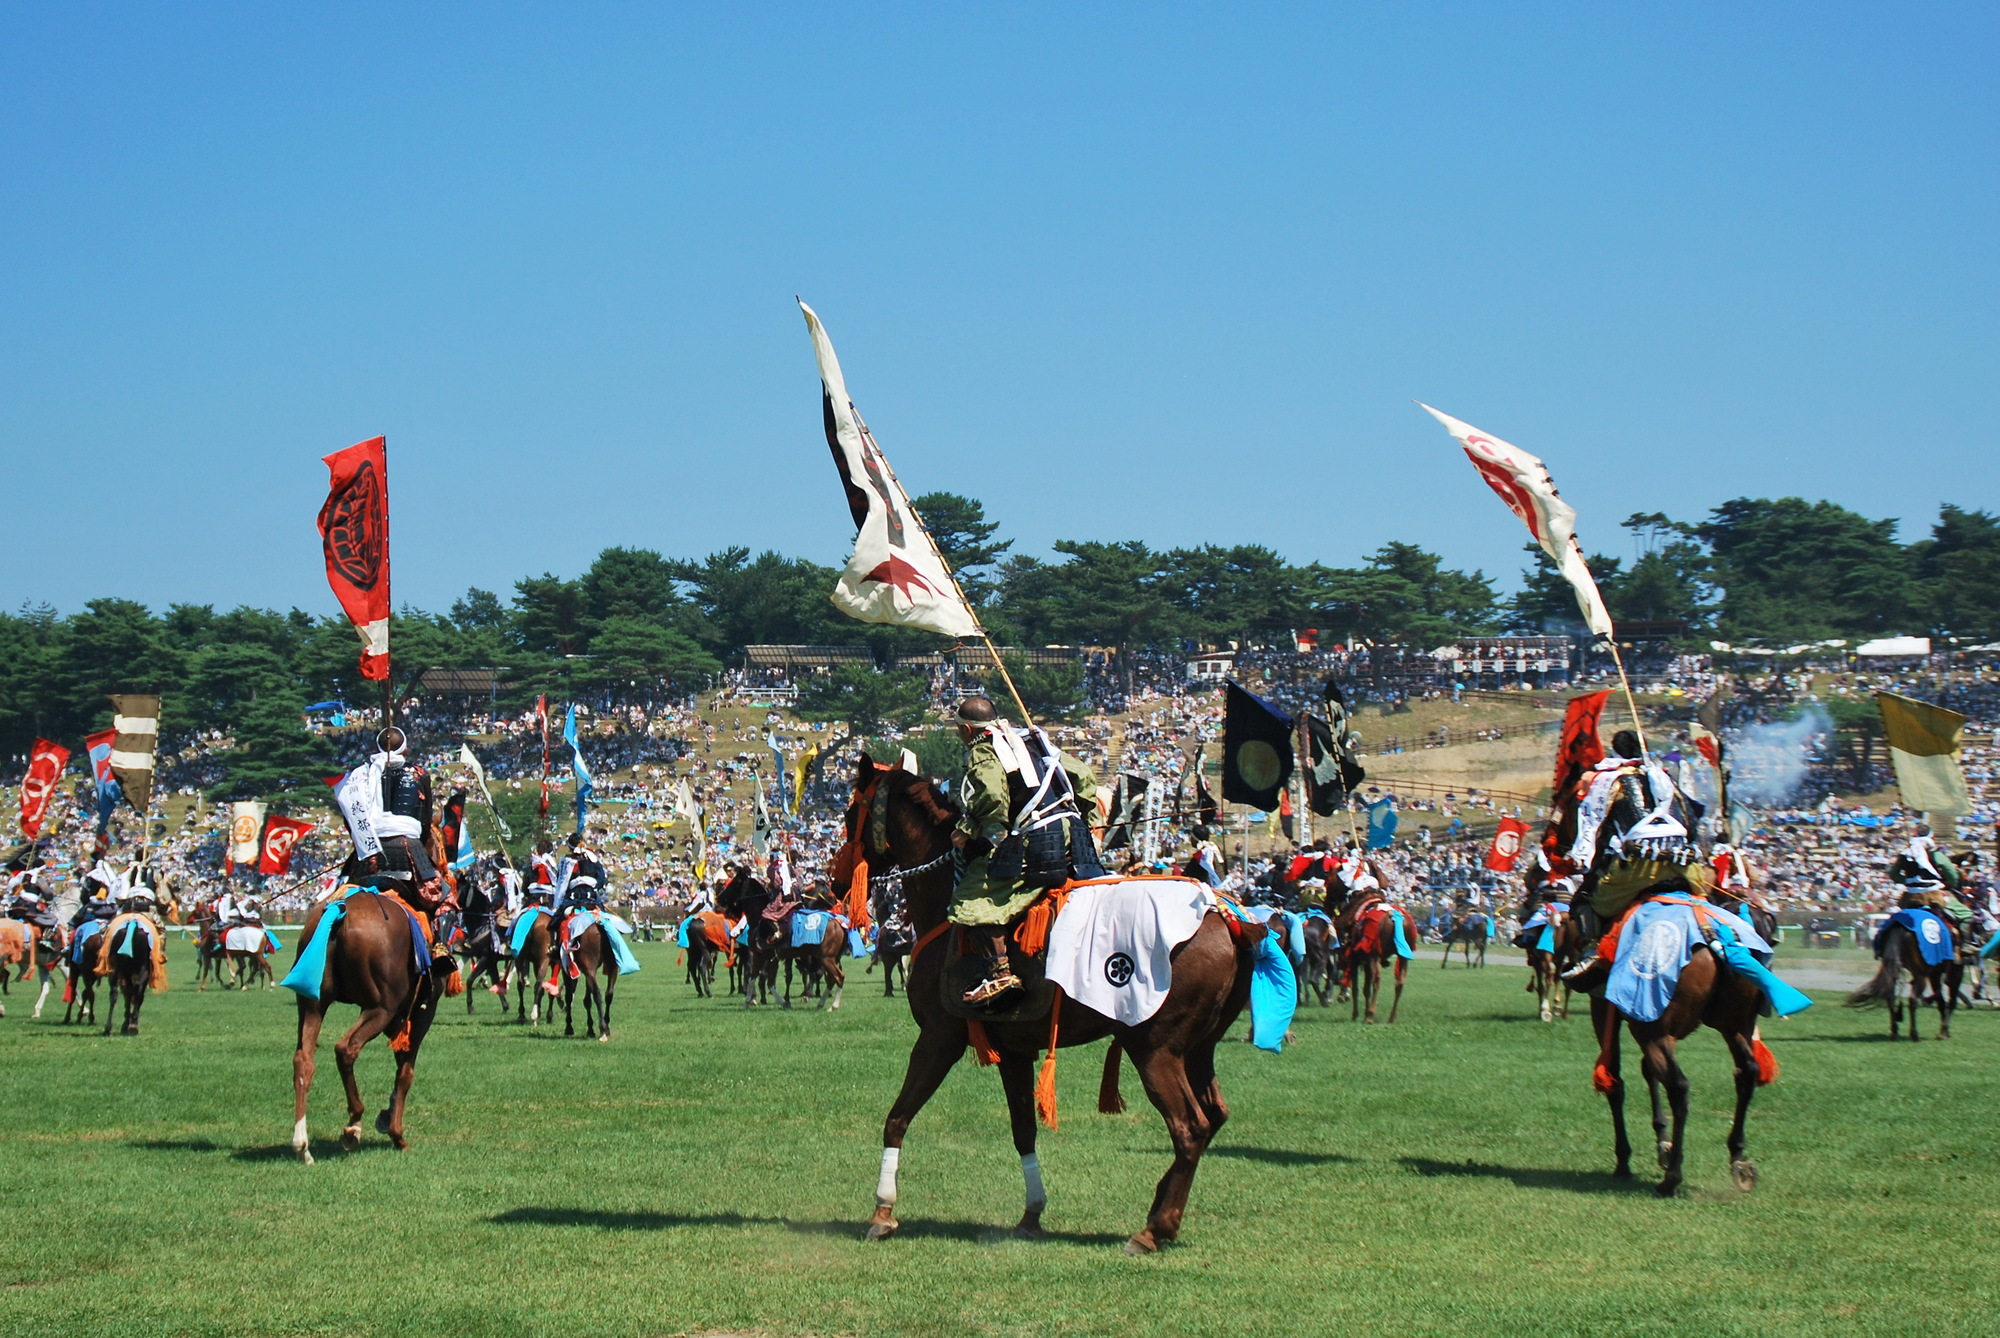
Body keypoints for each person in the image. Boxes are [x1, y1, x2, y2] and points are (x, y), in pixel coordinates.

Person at [948, 695, 1100, 1005]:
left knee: (972, 897)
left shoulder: (984, 749)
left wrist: (966, 830)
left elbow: (992, 797)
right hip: (1076, 836)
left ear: (966, 729)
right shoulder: (1032, 739)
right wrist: (1086, 818)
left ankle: (999, 975)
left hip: (1041, 840)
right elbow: (1084, 776)